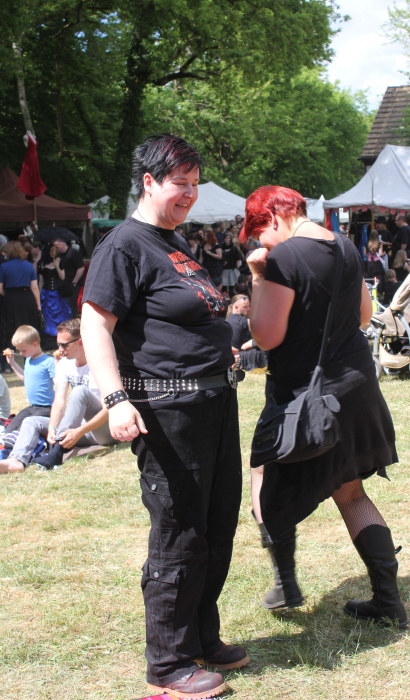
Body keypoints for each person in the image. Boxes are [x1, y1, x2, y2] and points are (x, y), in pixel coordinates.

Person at [81, 134, 248, 699]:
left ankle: (201, 636)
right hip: (167, 411)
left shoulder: (173, 242)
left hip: (214, 403)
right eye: (181, 184)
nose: (190, 195)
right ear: (149, 182)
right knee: (180, 531)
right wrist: (114, 399)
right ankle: (169, 663)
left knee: (217, 525)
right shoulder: (123, 245)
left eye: (195, 184)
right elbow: (95, 325)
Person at [240, 185, 407, 627]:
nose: (259, 243)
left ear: (273, 217)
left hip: (307, 397)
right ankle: (388, 602)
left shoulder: (284, 257)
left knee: (262, 472)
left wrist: (258, 278)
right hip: (355, 386)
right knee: (350, 490)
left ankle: (285, 581)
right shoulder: (345, 246)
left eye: (258, 232)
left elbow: (266, 336)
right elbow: (363, 315)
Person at [0, 319, 115, 474]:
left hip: (103, 430)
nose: (60, 350)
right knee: (31, 421)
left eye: (64, 345)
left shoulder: (101, 363)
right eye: (58, 344)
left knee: (79, 392)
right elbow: (59, 401)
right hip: (74, 432)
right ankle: (16, 461)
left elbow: (109, 409)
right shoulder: (64, 365)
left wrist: (79, 431)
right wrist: (53, 427)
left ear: (80, 342)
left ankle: (57, 452)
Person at [2, 325, 55, 434]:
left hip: (46, 408)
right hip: (32, 407)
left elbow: (59, 385)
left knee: (23, 430)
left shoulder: (48, 362)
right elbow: (25, 379)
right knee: (9, 430)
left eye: (23, 350)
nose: (21, 353)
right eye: (19, 350)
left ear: (35, 344)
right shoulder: (29, 360)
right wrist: (12, 363)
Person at [0, 241, 41, 354]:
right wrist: (38, 305)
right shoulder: (29, 265)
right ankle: (29, 356)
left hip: (10, 299)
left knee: (10, 329)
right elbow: (34, 287)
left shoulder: (3, 267)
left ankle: (8, 357)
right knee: (27, 328)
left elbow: (0, 288)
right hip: (27, 298)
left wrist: (7, 295)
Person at [38, 242, 72, 344]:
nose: (53, 252)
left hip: (57, 294)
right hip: (46, 294)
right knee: (47, 316)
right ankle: (48, 339)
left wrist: (57, 266)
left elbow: (62, 277)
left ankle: (61, 336)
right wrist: (38, 295)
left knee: (61, 315)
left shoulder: (60, 261)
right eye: (51, 250)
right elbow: (41, 281)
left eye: (54, 250)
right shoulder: (42, 263)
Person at [54, 236, 85, 316]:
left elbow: (81, 268)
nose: (56, 249)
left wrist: (74, 282)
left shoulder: (74, 253)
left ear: (61, 245)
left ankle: (72, 320)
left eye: (56, 247)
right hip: (63, 284)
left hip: (72, 284)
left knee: (71, 305)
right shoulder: (59, 255)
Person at [221, 233, 243, 298]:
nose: (226, 239)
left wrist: (238, 266)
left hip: (232, 269)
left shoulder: (234, 248)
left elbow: (238, 258)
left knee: (232, 285)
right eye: (225, 238)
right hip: (224, 269)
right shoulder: (221, 248)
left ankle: (232, 298)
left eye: (228, 238)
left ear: (230, 239)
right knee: (224, 286)